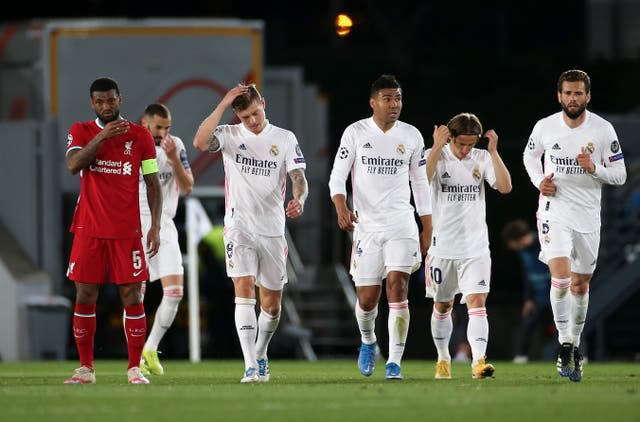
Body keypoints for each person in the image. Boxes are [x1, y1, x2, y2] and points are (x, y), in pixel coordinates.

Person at [193, 83, 308, 383]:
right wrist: (221, 106)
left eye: (255, 113)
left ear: (264, 104)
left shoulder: (283, 138)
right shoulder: (230, 136)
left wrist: (300, 198)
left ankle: (260, 353)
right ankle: (250, 366)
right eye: (245, 117)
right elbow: (200, 142)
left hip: (271, 229)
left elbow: (299, 177)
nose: (252, 121)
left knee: (271, 306)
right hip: (239, 227)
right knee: (243, 294)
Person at [523, 69, 627, 382]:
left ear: (588, 96)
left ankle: (574, 344)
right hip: (554, 210)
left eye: (578, 93)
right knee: (561, 274)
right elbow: (529, 156)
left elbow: (620, 175)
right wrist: (539, 180)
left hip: (587, 216)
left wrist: (595, 168)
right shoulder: (545, 126)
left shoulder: (603, 129)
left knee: (581, 285)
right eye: (568, 93)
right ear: (559, 96)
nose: (573, 98)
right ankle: (564, 344)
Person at [328, 74, 432, 380]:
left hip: (401, 223)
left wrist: (427, 227)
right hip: (367, 227)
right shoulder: (356, 133)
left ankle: (395, 362)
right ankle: (369, 341)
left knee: (398, 286)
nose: (394, 104)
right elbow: (337, 176)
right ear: (373, 102)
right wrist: (341, 207)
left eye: (398, 98)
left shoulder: (411, 136)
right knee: (367, 299)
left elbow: (421, 185)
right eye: (388, 99)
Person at [64, 77, 162, 385]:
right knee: (85, 293)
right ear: (92, 103)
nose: (106, 106)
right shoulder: (81, 130)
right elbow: (73, 164)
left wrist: (155, 226)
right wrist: (102, 137)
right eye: (100, 101)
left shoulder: (141, 136)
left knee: (132, 296)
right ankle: (85, 369)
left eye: (111, 100)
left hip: (126, 230)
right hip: (89, 228)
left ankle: (134, 368)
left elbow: (152, 182)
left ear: (120, 99)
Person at [425, 112, 512, 380]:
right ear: (450, 137)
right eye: (461, 144)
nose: (465, 150)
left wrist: (494, 151)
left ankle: (479, 361)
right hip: (442, 248)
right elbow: (419, 180)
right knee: (442, 306)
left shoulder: (482, 158)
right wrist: (438, 147)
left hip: (475, 247)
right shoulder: (435, 155)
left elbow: (505, 187)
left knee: (477, 301)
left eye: (470, 145)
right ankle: (443, 358)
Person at [137, 103, 194, 376]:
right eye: (158, 127)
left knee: (175, 292)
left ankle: (150, 347)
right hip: (135, 225)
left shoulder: (176, 146)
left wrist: (173, 159)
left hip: (165, 224)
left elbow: (188, 186)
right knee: (135, 294)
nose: (163, 133)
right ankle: (134, 357)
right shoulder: (131, 146)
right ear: (144, 123)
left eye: (167, 127)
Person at [502, 219, 552, 363]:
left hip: (555, 293)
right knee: (528, 324)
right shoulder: (522, 252)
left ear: (518, 239)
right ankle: (521, 356)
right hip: (538, 297)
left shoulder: (545, 241)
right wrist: (528, 299)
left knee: (566, 324)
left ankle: (579, 354)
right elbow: (527, 274)